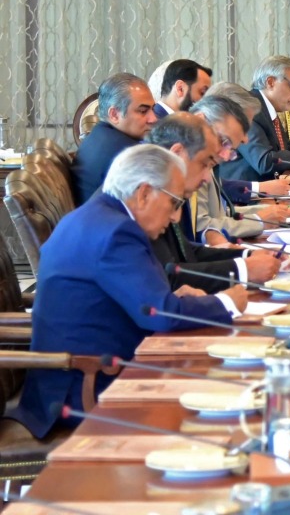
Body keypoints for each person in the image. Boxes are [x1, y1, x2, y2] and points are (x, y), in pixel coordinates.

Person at [12, 145, 246, 438]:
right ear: (144, 193)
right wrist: (226, 302)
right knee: (223, 395)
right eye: (174, 202)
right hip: (86, 385)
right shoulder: (116, 233)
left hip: (85, 373)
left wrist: (173, 300)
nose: (176, 217)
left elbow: (144, 302)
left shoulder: (100, 216)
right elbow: (159, 314)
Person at [145, 114, 282, 291]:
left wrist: (247, 255)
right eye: (204, 165)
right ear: (177, 153)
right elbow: (169, 277)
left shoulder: (164, 190)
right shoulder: (145, 202)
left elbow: (187, 253)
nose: (207, 178)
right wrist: (243, 270)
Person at [194, 85, 290, 244]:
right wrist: (259, 220)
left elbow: (220, 214)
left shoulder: (204, 156)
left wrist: (272, 213)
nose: (246, 138)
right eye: (225, 141)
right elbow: (201, 228)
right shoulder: (191, 161)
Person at [70, 73, 158, 204]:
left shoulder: (97, 135)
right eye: (143, 111)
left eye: (153, 109)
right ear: (114, 114)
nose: (153, 119)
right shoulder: (127, 154)